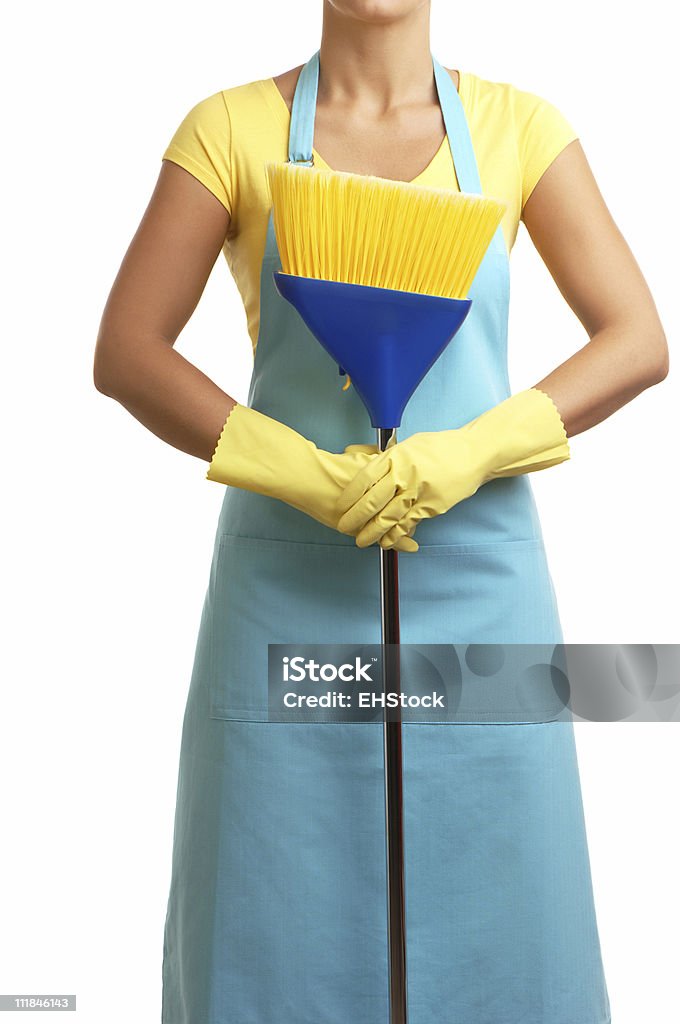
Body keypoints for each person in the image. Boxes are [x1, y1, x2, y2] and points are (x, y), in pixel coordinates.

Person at [93, 2, 668, 1022]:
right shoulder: (227, 129)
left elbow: (634, 336)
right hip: (286, 589)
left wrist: (472, 449)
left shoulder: (519, 128)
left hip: (482, 584)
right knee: (271, 910)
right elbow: (130, 350)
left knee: (505, 898)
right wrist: (298, 468)